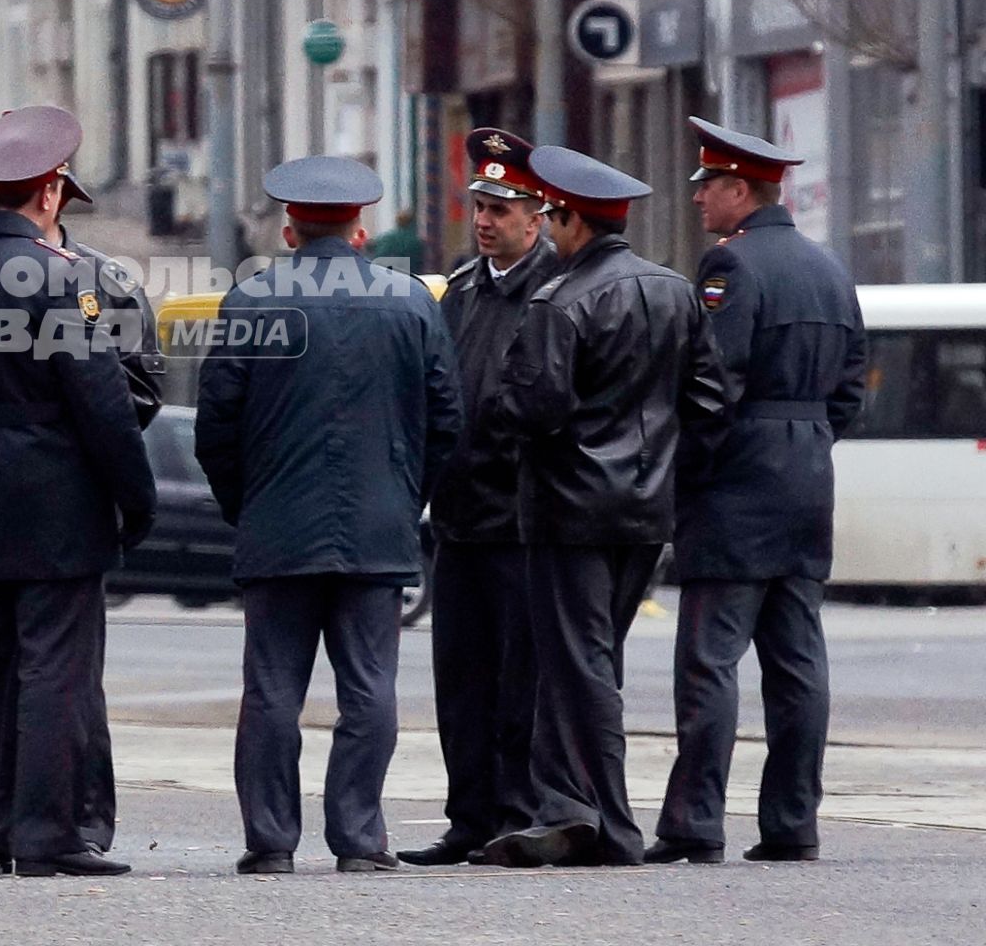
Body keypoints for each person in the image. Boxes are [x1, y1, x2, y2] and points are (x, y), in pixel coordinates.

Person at [0, 104, 158, 880]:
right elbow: (102, 404)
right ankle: (46, 836)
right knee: (54, 670)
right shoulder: (60, 277)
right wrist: (136, 500)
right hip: (54, 499)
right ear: (48, 194)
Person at [195, 155, 463, 875]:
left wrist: (244, 506)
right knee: (371, 688)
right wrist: (406, 498)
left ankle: (272, 841)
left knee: (273, 690)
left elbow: (215, 428)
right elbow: (447, 420)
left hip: (277, 527)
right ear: (360, 231)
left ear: (288, 230)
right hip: (380, 525)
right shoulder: (411, 302)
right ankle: (360, 839)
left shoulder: (252, 301)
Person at [479, 146, 728, 869]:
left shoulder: (562, 301)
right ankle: (568, 807)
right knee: (587, 658)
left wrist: (502, 405)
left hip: (570, 511)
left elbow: (535, 408)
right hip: (645, 511)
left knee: (582, 664)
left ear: (572, 220)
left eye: (552, 215)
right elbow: (710, 404)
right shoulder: (674, 290)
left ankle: (609, 823)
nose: (550, 228)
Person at [646, 118, 867, 866]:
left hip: (739, 482)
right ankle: (792, 822)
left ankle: (694, 822)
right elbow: (851, 388)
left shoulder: (730, 268)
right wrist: (805, 440)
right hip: (807, 477)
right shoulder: (829, 268)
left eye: (709, 186)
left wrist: (690, 476)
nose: (701, 199)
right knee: (798, 662)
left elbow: (714, 386)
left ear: (741, 190)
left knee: (709, 660)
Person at [0, 166, 166, 864]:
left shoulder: (104, 282)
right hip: (0, 501)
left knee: (69, 680)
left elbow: (143, 385)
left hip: (73, 494)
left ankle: (80, 821)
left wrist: (82, 432)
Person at [399, 129, 557, 868]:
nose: (485, 219)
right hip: (460, 518)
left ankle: (516, 811)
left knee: (518, 679)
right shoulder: (461, 289)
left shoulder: (555, 290)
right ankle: (468, 815)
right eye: (480, 205)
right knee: (460, 678)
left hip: (521, 518)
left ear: (539, 214)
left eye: (501, 207)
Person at [365, 208, 427, 272]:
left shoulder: (387, 238)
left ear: (397, 222)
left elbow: (372, 247)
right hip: (413, 273)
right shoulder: (417, 240)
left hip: (390, 273)